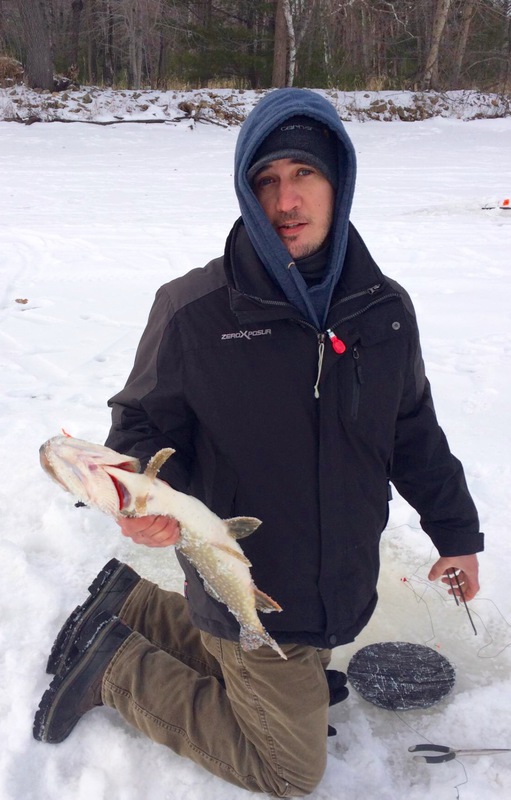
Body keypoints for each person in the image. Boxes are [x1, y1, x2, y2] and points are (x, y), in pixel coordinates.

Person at [33, 88, 483, 796]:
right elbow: (141, 426)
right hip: (243, 573)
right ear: (247, 193)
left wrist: (455, 533)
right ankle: (114, 666)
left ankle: (132, 602)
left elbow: (413, 430)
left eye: (305, 173)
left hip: (338, 577)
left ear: (339, 181)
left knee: (289, 666)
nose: (286, 201)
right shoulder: (194, 311)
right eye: (266, 180)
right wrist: (141, 500)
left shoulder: (384, 311)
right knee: (288, 768)